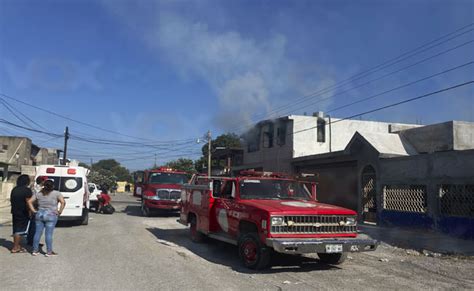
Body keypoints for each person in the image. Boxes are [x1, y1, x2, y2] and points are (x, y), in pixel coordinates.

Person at [27, 179, 66, 256]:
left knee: (37, 233)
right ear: (53, 186)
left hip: (40, 214)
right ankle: (49, 251)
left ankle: (35, 250)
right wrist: (60, 211)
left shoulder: (39, 193)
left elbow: (29, 201)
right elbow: (63, 202)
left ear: (44, 185)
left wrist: (33, 211)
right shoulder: (56, 193)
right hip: (51, 214)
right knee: (48, 234)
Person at [10, 175, 33, 253]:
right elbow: (28, 202)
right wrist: (30, 212)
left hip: (14, 211)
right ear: (26, 181)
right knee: (19, 230)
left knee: (16, 228)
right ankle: (15, 247)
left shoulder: (14, 189)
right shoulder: (27, 190)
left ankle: (17, 245)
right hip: (23, 212)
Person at [27, 176, 48, 246]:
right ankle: (33, 241)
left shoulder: (33, 186)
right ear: (42, 181)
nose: (45, 182)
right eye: (45, 180)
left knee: (33, 225)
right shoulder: (38, 189)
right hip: (36, 208)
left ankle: (30, 240)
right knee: (36, 226)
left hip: (33, 208)